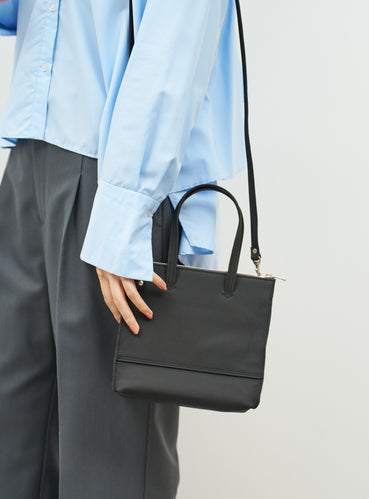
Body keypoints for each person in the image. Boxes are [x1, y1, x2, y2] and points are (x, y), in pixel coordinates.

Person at [0, 0, 247, 497]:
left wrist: (126, 206)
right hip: (31, 153)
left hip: (115, 173)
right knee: (12, 447)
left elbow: (176, 37)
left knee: (110, 468)